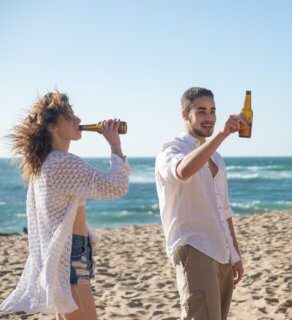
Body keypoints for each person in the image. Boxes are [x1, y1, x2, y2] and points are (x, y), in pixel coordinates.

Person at [0, 92, 131, 320]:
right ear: (52, 126)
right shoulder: (61, 162)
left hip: (67, 252)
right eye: (70, 116)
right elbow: (116, 186)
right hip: (71, 255)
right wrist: (115, 144)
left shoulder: (45, 164)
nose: (78, 119)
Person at [155, 87, 245, 320]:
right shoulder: (172, 148)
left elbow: (223, 209)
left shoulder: (217, 157)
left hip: (220, 249)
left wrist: (234, 253)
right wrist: (222, 135)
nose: (209, 117)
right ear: (185, 114)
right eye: (202, 111)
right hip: (193, 247)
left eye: (213, 111)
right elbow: (182, 171)